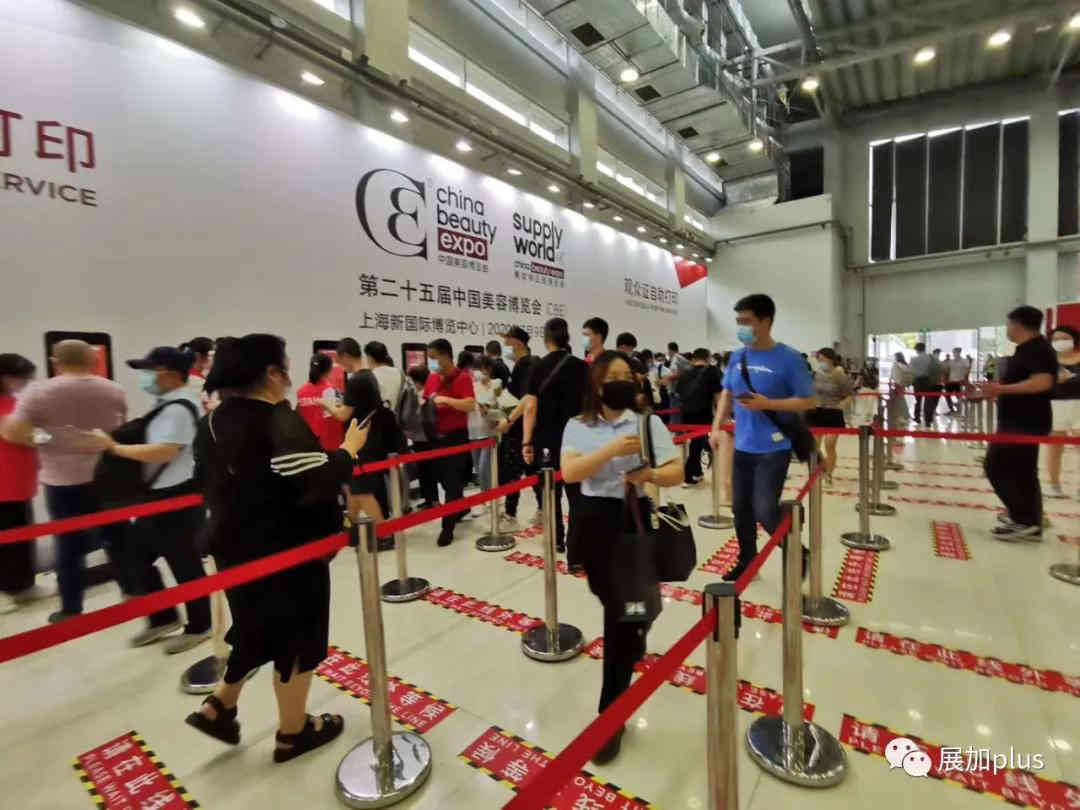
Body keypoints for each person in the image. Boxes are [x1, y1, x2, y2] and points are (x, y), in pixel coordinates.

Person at [184, 334, 367, 762]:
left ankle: (219, 706)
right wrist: (348, 452)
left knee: (255, 627)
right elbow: (313, 481)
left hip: (233, 548)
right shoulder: (275, 419)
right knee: (296, 641)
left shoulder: (210, 423)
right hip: (287, 550)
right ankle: (293, 731)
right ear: (271, 372)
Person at [561, 350, 681, 764]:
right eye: (613, 375)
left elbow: (676, 470)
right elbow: (571, 473)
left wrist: (650, 474)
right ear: (597, 384)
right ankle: (637, 627)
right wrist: (612, 450)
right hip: (594, 523)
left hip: (633, 519)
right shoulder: (578, 425)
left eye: (627, 375)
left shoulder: (647, 422)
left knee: (621, 619)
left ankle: (609, 719)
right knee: (621, 605)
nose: (621, 381)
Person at [84, 347, 211, 652]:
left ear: (169, 373)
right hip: (158, 496)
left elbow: (165, 451)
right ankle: (162, 618)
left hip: (177, 498)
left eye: (149, 370)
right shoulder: (167, 404)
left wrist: (113, 447)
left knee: (185, 565)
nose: (145, 376)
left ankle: (200, 626)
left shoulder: (179, 408)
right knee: (135, 556)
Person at [0, 340, 126, 623]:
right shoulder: (114, 389)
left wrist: (53, 438)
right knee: (116, 538)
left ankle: (71, 608)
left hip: (60, 481)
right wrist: (82, 440)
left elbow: (15, 433)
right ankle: (134, 593)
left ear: (56, 362)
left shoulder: (37, 393)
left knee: (68, 544)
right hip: (105, 476)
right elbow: (120, 429)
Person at [708, 294, 816, 581]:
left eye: (746, 321)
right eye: (738, 321)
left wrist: (769, 404)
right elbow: (727, 393)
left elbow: (809, 400)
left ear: (765, 321)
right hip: (743, 445)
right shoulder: (738, 356)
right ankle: (747, 560)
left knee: (766, 510)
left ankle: (797, 551)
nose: (741, 327)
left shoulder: (789, 358)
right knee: (740, 509)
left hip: (774, 447)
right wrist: (717, 426)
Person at [981, 307, 1057, 540]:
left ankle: (1025, 518)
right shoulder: (1027, 349)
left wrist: (1001, 389)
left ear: (1017, 324)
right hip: (1019, 419)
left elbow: (1042, 382)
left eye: (1008, 324)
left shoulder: (1037, 349)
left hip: (1025, 422)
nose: (1007, 329)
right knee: (1022, 471)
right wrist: (999, 392)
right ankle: (1028, 518)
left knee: (996, 466)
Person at [523, 318, 588, 554]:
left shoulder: (538, 367)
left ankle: (556, 539)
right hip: (578, 437)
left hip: (547, 438)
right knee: (577, 492)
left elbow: (530, 407)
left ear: (546, 339)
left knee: (551, 492)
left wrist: (526, 441)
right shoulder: (581, 367)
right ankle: (576, 544)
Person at [324, 338, 392, 525]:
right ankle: (351, 525)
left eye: (339, 361)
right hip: (369, 440)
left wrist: (326, 405)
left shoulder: (356, 380)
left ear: (346, 356)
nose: (339, 366)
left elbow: (343, 415)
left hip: (362, 445)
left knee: (362, 493)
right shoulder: (369, 376)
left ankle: (385, 533)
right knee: (354, 489)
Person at [422, 339, 476, 546]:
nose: (431, 361)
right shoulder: (432, 378)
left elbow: (470, 404)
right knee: (444, 480)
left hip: (456, 437)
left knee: (452, 483)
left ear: (446, 356)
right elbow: (426, 398)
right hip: (435, 437)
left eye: (434, 357)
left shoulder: (462, 378)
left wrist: (447, 401)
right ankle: (461, 507)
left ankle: (447, 527)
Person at [0, 354, 40, 614]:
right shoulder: (7, 405)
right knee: (11, 539)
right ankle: (14, 588)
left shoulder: (13, 402)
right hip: (6, 484)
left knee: (20, 536)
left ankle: (21, 586)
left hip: (18, 482)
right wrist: (47, 437)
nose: (26, 383)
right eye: (23, 378)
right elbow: (17, 434)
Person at [496, 327, 540, 528]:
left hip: (522, 429)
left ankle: (512, 514)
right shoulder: (520, 365)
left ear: (518, 343)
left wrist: (510, 420)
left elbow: (527, 399)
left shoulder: (528, 365)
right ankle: (537, 509)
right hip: (518, 427)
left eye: (508, 342)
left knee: (518, 472)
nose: (506, 347)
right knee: (525, 472)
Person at [804, 348, 853, 486]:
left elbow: (849, 394)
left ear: (830, 359)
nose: (820, 362)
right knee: (814, 445)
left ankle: (828, 474)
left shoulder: (840, 374)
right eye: (818, 359)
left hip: (833, 413)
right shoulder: (816, 374)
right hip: (816, 412)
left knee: (829, 445)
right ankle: (819, 469)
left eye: (822, 359)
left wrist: (841, 405)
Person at [676, 348, 722, 485]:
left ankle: (697, 472)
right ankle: (687, 475)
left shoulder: (684, 374)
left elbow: (679, 393)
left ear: (693, 359)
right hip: (703, 413)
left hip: (686, 414)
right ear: (708, 358)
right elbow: (718, 396)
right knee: (697, 445)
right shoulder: (712, 371)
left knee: (695, 443)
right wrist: (721, 415)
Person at [1046, 325, 1080, 499]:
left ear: (1073, 339)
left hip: (1079, 406)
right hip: (1055, 406)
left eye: (1064, 338)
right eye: (1056, 339)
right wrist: (1055, 381)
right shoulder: (1048, 362)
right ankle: (1054, 486)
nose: (1060, 342)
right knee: (1055, 449)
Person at [465, 353, 497, 518]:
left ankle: (488, 498)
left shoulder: (496, 385)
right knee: (478, 469)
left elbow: (501, 409)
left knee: (485, 468)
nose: (478, 372)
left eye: (482, 368)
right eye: (476, 369)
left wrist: (488, 411)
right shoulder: (471, 386)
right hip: (473, 431)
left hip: (489, 432)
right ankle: (486, 499)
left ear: (489, 369)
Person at [296, 354, 345, 453]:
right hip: (329, 447)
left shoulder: (300, 391)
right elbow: (338, 417)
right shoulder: (331, 392)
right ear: (329, 371)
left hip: (308, 446)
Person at [405, 365, 438, 509]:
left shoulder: (425, 394)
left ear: (417, 380)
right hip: (419, 437)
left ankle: (433, 499)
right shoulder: (417, 393)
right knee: (423, 470)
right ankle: (428, 499)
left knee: (429, 470)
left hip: (426, 437)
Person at [909, 343, 934, 427]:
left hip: (917, 381)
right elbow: (933, 370)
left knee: (917, 401)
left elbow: (910, 371)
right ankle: (928, 420)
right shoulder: (930, 358)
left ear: (917, 350)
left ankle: (917, 418)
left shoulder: (914, 359)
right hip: (927, 380)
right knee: (928, 401)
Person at [889, 352, 912, 425]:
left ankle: (905, 416)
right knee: (900, 400)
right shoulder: (904, 364)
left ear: (897, 357)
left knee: (901, 400)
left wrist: (891, 381)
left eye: (894, 357)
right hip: (901, 384)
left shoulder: (897, 364)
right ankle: (903, 416)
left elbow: (893, 375)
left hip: (898, 384)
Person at [943, 348, 969, 414]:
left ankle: (959, 409)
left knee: (958, 396)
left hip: (960, 381)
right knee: (947, 395)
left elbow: (967, 371)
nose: (954, 354)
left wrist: (965, 379)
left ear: (959, 352)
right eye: (954, 352)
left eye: (956, 352)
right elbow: (947, 371)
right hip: (951, 381)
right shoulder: (951, 361)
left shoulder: (965, 361)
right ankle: (952, 409)